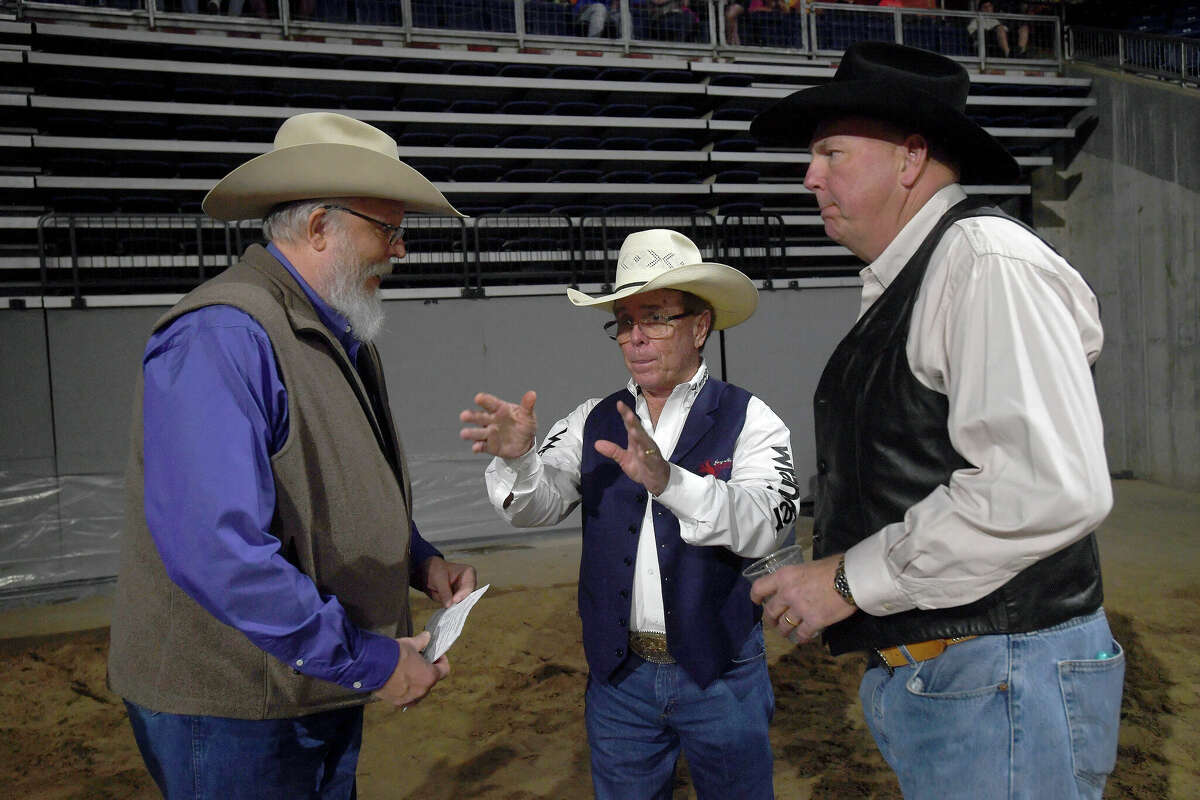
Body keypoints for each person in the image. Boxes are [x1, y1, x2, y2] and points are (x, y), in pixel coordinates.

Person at [747, 42, 1123, 800]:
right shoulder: (935, 270)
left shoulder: (986, 263)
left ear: (910, 159)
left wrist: (849, 580)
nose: (810, 175)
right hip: (967, 677)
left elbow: (1045, 487)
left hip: (1001, 674)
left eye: (831, 152)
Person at [107, 112, 478, 799]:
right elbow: (220, 549)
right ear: (319, 229)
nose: (400, 252)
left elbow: (329, 481)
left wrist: (418, 558)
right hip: (236, 707)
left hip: (301, 685)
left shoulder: (330, 331)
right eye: (387, 230)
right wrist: (365, 658)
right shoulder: (222, 336)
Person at [459, 228, 799, 799]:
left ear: (699, 327)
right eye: (624, 322)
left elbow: (770, 520)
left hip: (722, 674)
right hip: (621, 680)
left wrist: (671, 484)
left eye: (656, 317)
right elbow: (534, 508)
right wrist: (519, 460)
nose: (636, 338)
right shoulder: (592, 420)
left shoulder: (751, 419)